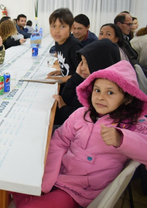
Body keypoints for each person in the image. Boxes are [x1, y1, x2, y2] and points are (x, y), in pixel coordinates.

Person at [13, 60, 147, 208]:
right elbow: (60, 140)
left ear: (127, 98)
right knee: (9, 179)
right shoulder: (81, 114)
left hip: (79, 191)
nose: (101, 97)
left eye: (110, 92)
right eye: (97, 90)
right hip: (58, 174)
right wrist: (47, 175)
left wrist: (122, 139)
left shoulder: (132, 125)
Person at [53, 39, 120, 125]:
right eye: (82, 62)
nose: (82, 67)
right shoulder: (88, 81)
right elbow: (65, 98)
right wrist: (76, 76)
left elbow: (82, 120)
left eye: (87, 63)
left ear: (102, 63)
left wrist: (63, 109)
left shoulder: (101, 90)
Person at [47, 8, 82, 83]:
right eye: (53, 26)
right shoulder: (58, 41)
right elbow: (71, 67)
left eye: (62, 26)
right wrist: (62, 71)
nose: (57, 31)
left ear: (71, 28)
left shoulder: (74, 46)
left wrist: (61, 79)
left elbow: (82, 74)